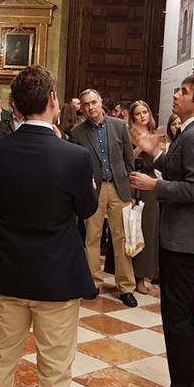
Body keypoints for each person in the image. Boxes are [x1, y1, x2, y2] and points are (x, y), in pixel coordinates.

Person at [0, 66, 97, 387]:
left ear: (13, 106)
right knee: (55, 375)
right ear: (53, 102)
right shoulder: (74, 157)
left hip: (10, 271)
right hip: (57, 278)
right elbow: (87, 208)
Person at [130, 74, 194, 387]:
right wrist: (156, 152)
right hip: (190, 238)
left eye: (183, 92)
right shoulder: (193, 131)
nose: (176, 95)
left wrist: (157, 186)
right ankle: (184, 386)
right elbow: (182, 170)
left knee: (181, 319)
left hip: (188, 239)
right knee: (189, 317)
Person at [70, 89, 138, 307]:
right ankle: (92, 283)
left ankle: (126, 287)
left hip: (118, 188)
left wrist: (131, 192)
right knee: (92, 238)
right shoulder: (77, 131)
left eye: (94, 103)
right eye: (86, 104)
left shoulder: (118, 126)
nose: (91, 108)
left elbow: (129, 161)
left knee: (122, 239)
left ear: (101, 103)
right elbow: (77, 164)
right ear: (81, 107)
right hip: (93, 191)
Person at [129, 100, 160, 294]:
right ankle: (130, 276)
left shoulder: (157, 135)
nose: (142, 116)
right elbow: (127, 160)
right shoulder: (128, 135)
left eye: (145, 112)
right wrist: (141, 146)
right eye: (138, 113)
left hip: (153, 187)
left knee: (149, 231)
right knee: (132, 230)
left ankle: (145, 275)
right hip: (134, 184)